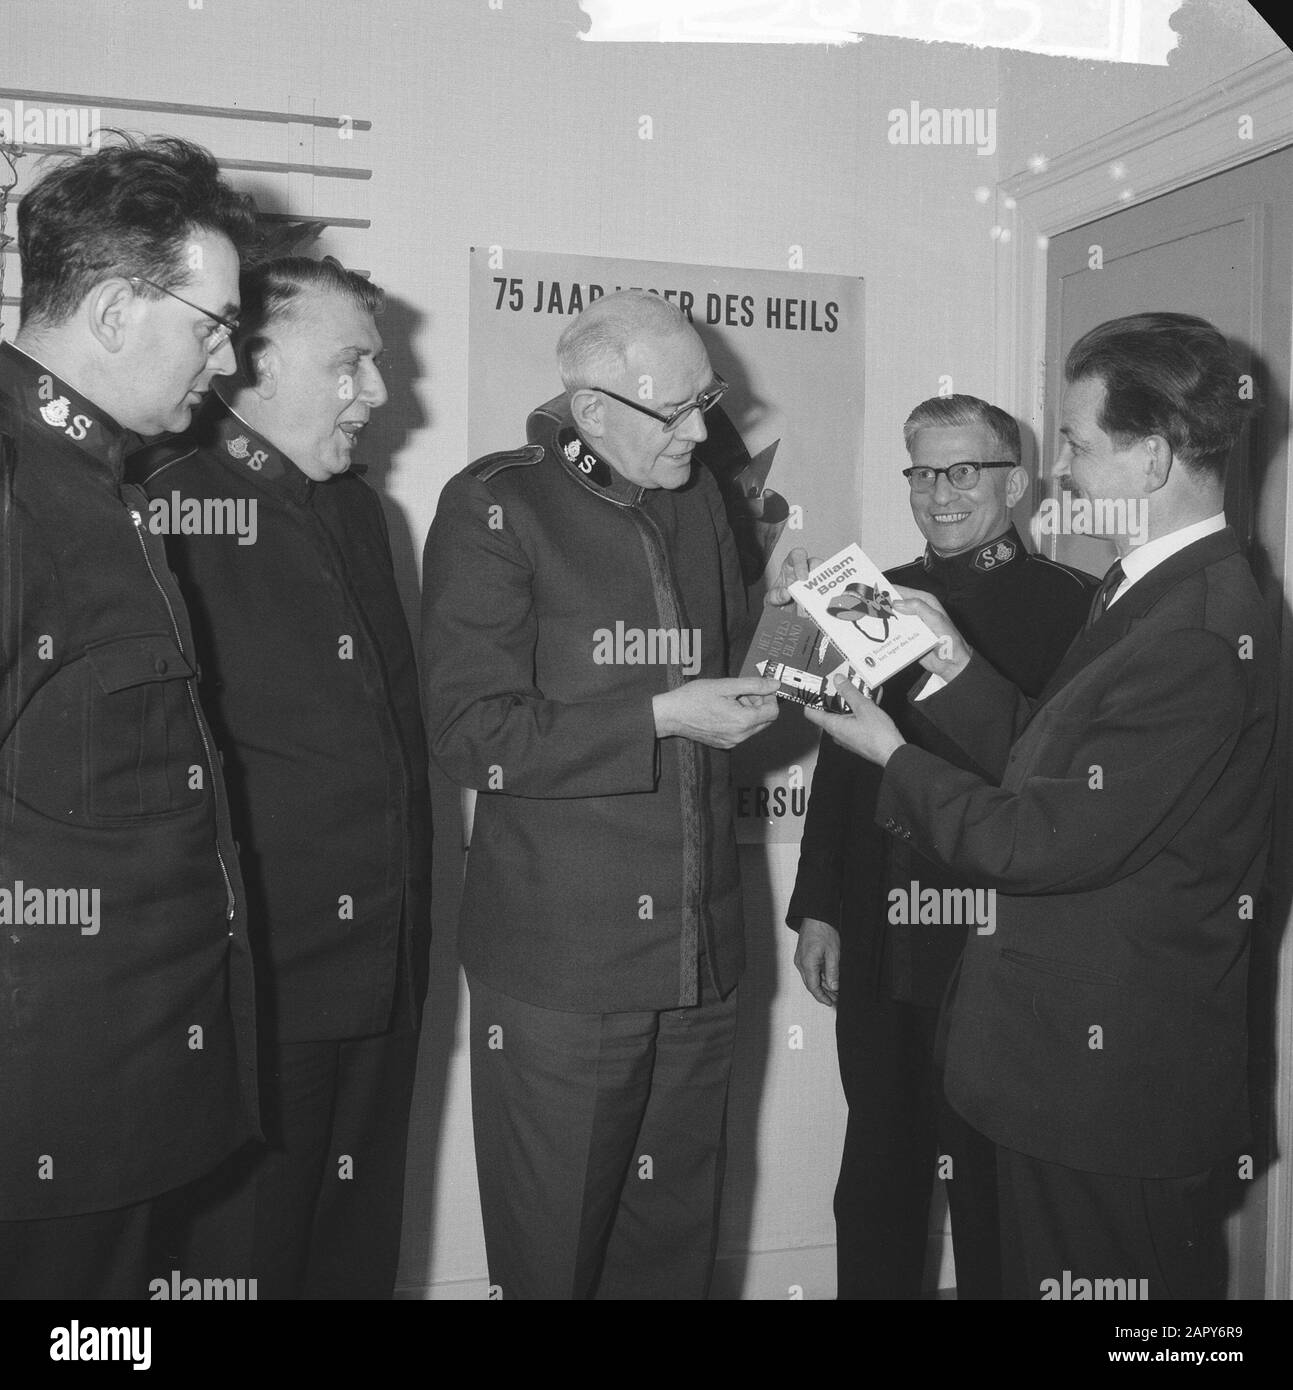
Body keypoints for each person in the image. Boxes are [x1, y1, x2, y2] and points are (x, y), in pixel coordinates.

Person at [804, 313, 1278, 1300]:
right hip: (1050, 1069)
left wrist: (890, 751)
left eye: (1074, 440)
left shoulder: (1190, 625)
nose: (1058, 466)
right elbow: (1054, 765)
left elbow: (1033, 837)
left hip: (1105, 1093)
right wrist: (951, 665)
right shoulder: (1145, 593)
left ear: (1149, 458)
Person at [421, 289, 779, 1299]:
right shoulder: (497, 503)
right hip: (564, 971)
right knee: (555, 1259)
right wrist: (663, 716)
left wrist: (794, 639)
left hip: (698, 957)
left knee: (671, 1256)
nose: (703, 431)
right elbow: (470, 733)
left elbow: (727, 663)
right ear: (591, 409)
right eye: (679, 411)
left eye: (709, 399)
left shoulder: (700, 493)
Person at [131, 257, 432, 1298]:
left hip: (380, 976)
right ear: (245, 360)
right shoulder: (160, 507)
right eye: (350, 363)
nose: (381, 394)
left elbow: (398, 745)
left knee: (353, 1258)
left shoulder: (362, 514)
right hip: (253, 994)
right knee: (238, 1269)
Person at [0, 135, 259, 1299]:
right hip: (43, 1114)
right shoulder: (19, 491)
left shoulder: (107, 485)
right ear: (114, 310)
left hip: (120, 1092)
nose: (229, 356)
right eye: (212, 322)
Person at [781, 395, 1097, 1299]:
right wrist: (821, 909)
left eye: (962, 471)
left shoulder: (1073, 607)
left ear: (1017, 482)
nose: (937, 493)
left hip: (996, 941)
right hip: (880, 930)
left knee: (993, 1184)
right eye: (920, 471)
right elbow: (842, 767)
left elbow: (1054, 782)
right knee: (876, 1170)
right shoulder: (867, 589)